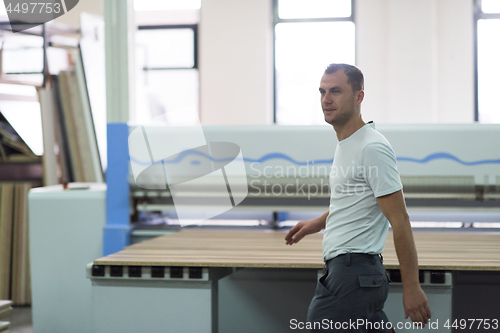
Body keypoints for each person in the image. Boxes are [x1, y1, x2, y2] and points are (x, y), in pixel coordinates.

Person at [285, 63, 431, 332]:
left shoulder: (371, 146)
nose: (326, 100)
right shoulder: (349, 144)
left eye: (336, 91)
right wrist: (319, 222)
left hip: (352, 275)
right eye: (322, 91)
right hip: (351, 274)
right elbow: (358, 197)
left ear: (359, 96)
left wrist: (412, 287)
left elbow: (400, 219)